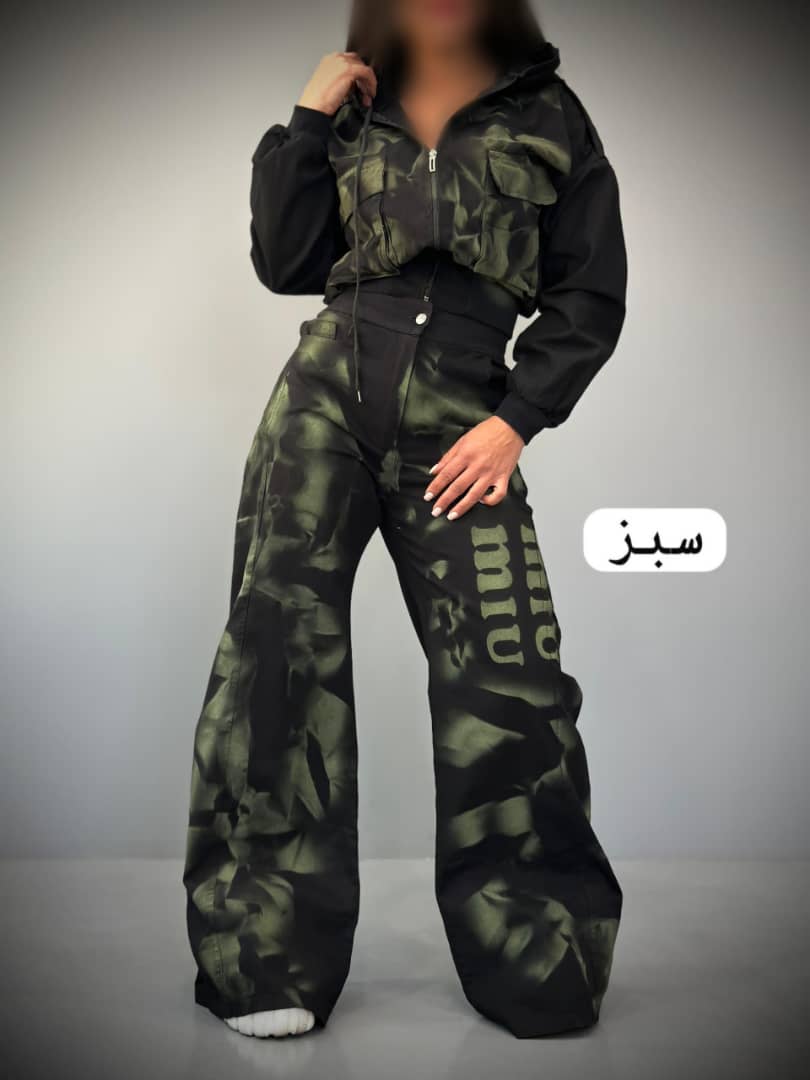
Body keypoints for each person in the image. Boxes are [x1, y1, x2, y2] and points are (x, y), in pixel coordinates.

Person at [183, 0, 626, 1041]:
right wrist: (306, 119)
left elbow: (590, 291)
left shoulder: (552, 114)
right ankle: (265, 960)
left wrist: (517, 420)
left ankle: (536, 956)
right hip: (323, 401)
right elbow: (285, 258)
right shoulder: (355, 106)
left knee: (509, 681)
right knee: (275, 662)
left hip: (465, 421)